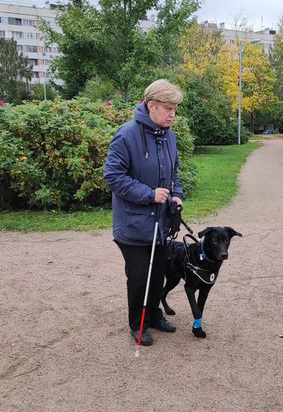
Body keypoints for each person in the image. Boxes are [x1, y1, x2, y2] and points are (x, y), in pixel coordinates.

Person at [103, 79, 184, 346]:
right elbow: (113, 176)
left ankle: (153, 315)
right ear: (151, 106)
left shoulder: (168, 135)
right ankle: (138, 325)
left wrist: (176, 196)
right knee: (139, 278)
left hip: (161, 224)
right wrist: (149, 194)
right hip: (134, 225)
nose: (172, 114)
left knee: (158, 272)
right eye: (167, 108)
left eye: (175, 108)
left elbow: (174, 174)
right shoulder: (126, 135)